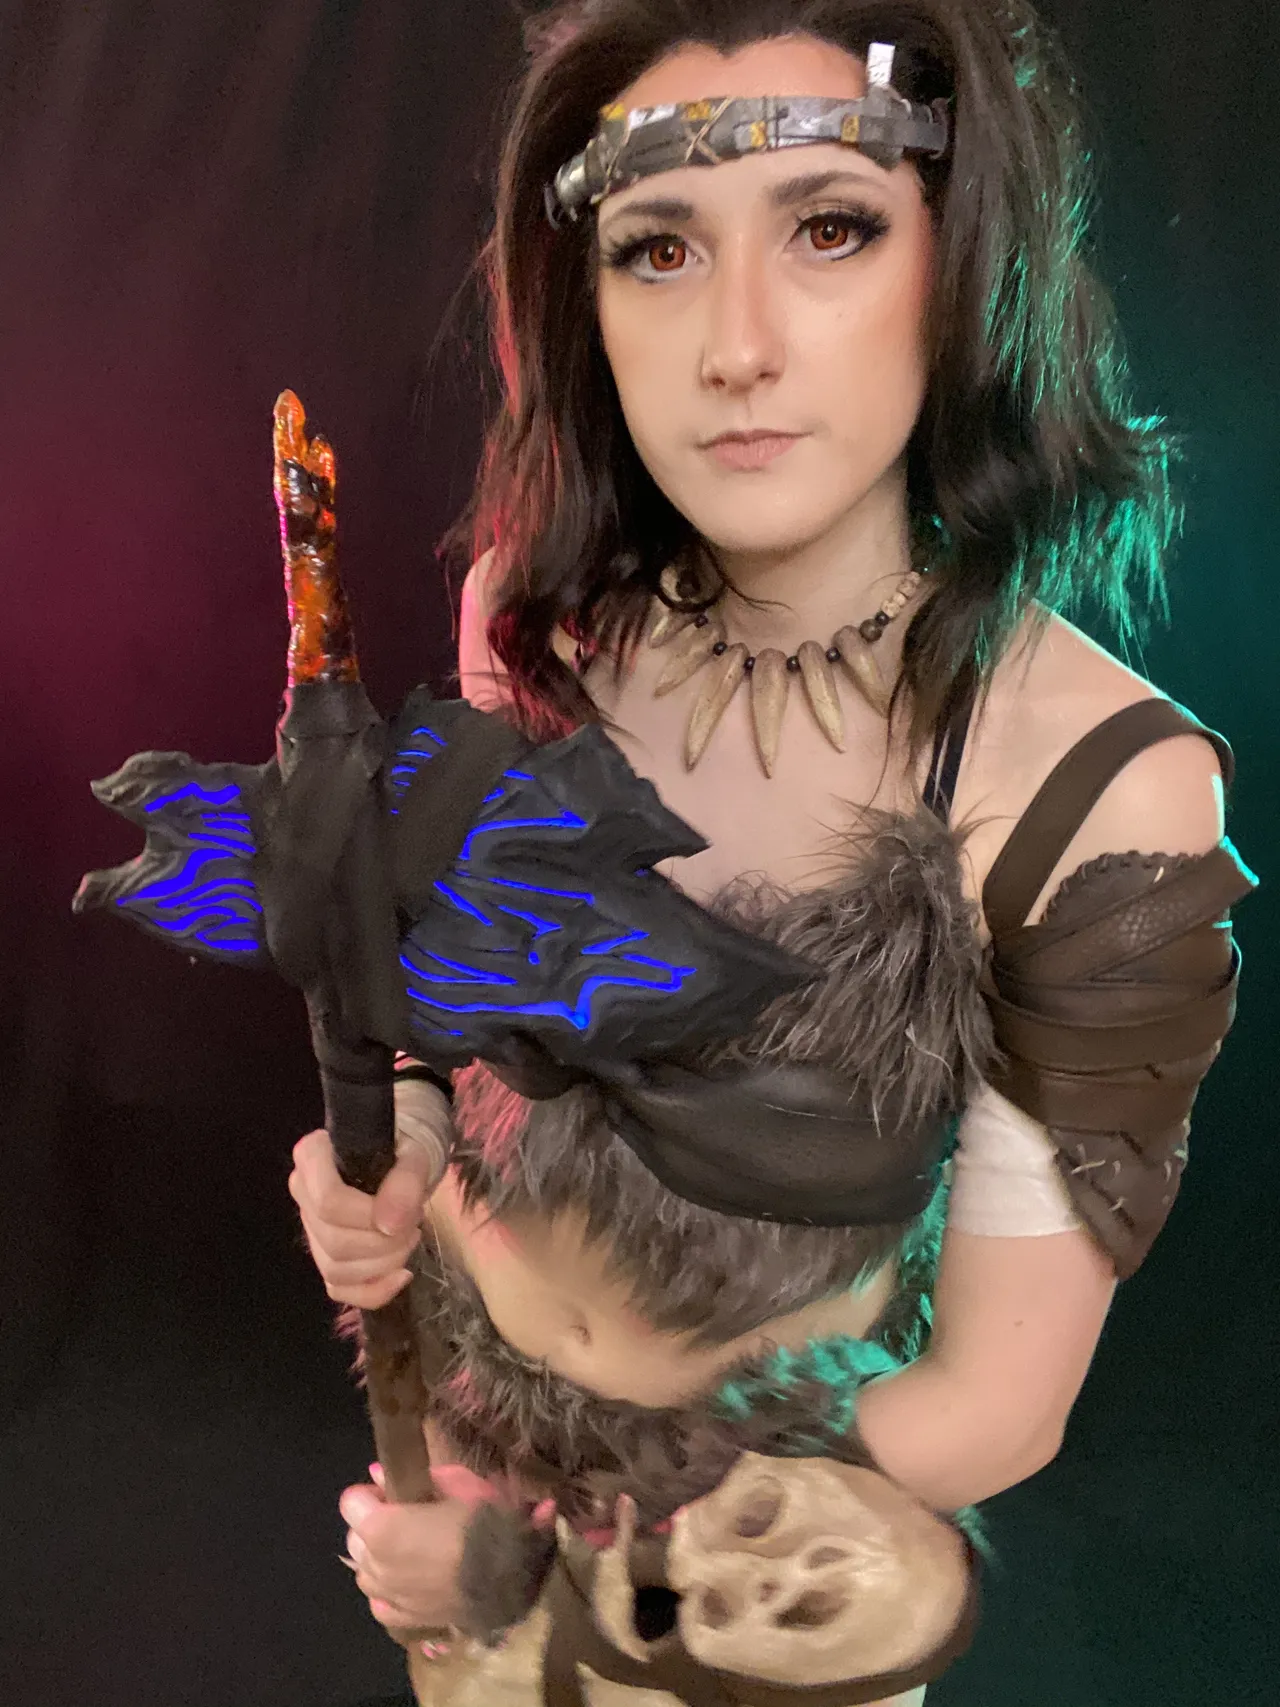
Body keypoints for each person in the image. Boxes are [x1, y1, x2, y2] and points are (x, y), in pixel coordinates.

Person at [288, 3, 1256, 1703]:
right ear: (584, 299)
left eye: (830, 229)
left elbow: (994, 1410)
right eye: (659, 248)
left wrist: (543, 1566)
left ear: (959, 260)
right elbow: (462, 1015)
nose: (736, 345)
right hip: (461, 1461)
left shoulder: (1094, 781)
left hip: (753, 1577)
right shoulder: (530, 618)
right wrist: (400, 1146)